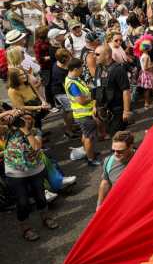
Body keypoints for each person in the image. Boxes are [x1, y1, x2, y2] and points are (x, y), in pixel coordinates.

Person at [2, 109, 58, 241]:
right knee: (22, 202)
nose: (27, 121)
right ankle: (26, 228)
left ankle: (46, 218)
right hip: (15, 173)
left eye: (29, 118)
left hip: (36, 170)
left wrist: (26, 130)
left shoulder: (35, 131)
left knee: (40, 197)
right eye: (23, 119)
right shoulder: (8, 132)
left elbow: (36, 147)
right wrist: (9, 113)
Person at [64, 57, 100, 166]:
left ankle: (89, 152)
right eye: (81, 68)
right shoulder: (73, 84)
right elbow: (81, 101)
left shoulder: (75, 79)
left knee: (85, 135)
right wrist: (94, 95)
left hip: (82, 115)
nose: (83, 70)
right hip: (84, 115)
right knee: (89, 137)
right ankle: (90, 159)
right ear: (75, 69)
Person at [93, 44, 132, 138]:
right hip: (104, 110)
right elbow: (97, 88)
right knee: (111, 133)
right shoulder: (99, 68)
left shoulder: (118, 69)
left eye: (97, 54)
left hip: (117, 110)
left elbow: (126, 90)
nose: (94, 56)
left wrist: (126, 111)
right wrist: (95, 106)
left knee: (117, 136)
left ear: (107, 55)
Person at [96, 131, 135, 210]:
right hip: (121, 206)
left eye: (120, 151)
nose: (115, 154)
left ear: (130, 147)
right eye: (113, 150)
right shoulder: (108, 161)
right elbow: (105, 183)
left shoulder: (141, 158)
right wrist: (99, 205)